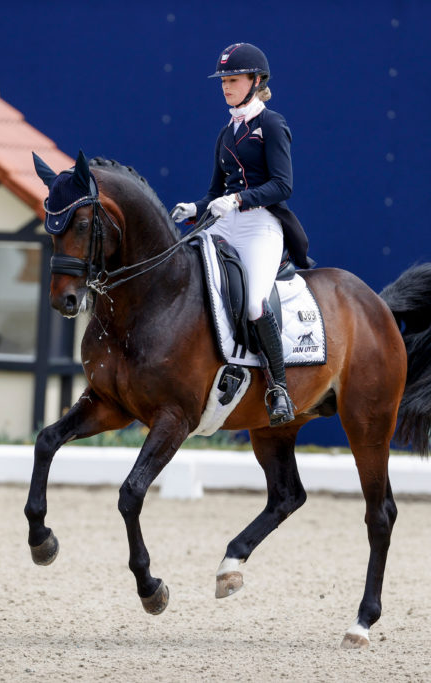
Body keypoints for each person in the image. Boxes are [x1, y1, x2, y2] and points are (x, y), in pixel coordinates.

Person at [170, 42, 310, 426]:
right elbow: (216, 192)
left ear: (256, 80)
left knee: (253, 303)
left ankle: (278, 387)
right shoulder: (226, 132)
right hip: (225, 221)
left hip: (260, 225)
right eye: (223, 81)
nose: (226, 87)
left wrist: (238, 201)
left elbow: (283, 185)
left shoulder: (272, 125)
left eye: (233, 80)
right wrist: (196, 208)